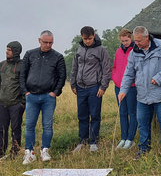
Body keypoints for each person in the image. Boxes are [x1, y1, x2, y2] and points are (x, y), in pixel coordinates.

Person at [118, 26, 161, 159]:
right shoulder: (133, 53)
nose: (136, 43)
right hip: (142, 96)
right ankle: (143, 150)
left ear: (147, 37)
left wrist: (159, 78)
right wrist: (123, 90)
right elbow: (129, 73)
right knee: (142, 124)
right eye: (135, 41)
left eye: (139, 40)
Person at [20, 31, 66, 164]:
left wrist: (55, 92)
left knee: (47, 125)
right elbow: (23, 74)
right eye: (45, 42)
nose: (48, 45)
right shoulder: (30, 54)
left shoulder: (58, 57)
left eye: (50, 42)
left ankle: (45, 150)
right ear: (39, 40)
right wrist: (25, 92)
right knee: (29, 125)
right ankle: (29, 152)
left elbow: (62, 76)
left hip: (48, 97)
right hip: (32, 96)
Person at [71, 26, 112, 152]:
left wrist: (103, 86)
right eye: (85, 39)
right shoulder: (79, 49)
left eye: (89, 38)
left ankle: (94, 142)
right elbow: (75, 67)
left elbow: (107, 69)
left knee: (95, 115)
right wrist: (73, 83)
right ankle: (82, 142)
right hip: (80, 87)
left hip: (95, 87)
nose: (87, 41)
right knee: (82, 116)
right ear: (81, 37)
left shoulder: (101, 50)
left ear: (94, 36)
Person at [111, 29, 137, 150]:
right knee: (122, 112)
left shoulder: (135, 50)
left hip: (131, 87)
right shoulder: (118, 51)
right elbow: (115, 66)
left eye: (127, 40)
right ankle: (123, 137)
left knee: (132, 112)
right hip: (118, 86)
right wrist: (115, 79)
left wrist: (133, 81)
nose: (125, 43)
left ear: (130, 38)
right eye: (123, 41)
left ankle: (130, 139)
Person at [0, 41, 25, 161]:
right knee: (2, 128)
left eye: (9, 50)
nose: (6, 52)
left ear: (15, 51)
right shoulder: (2, 65)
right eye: (6, 49)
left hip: (16, 104)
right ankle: (1, 152)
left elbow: (25, 84)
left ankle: (14, 152)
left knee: (15, 129)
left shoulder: (22, 65)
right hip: (2, 103)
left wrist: (22, 103)